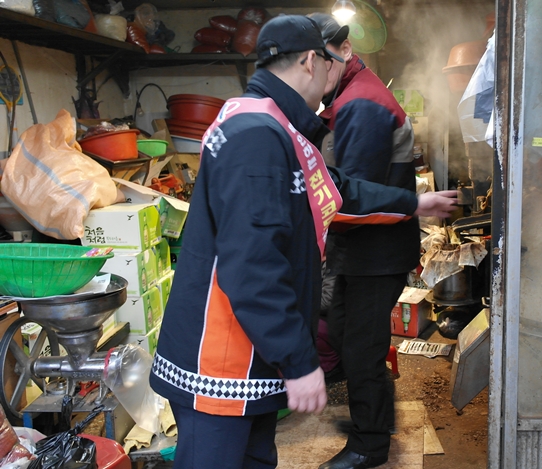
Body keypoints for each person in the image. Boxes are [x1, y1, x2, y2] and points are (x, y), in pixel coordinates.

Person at [149, 15, 458, 469]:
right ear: (313, 61)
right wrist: (297, 361)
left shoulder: (280, 128)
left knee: (256, 459)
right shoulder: (256, 136)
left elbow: (338, 189)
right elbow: (253, 265)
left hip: (250, 356)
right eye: (331, 65)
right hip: (221, 358)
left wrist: (414, 202)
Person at [309, 12, 422, 469]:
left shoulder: (362, 104)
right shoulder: (347, 96)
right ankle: (376, 414)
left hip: (376, 251)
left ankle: (369, 445)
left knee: (360, 348)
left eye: (322, 63)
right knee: (342, 329)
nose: (314, 74)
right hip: (362, 249)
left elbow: (354, 196)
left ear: (345, 51)